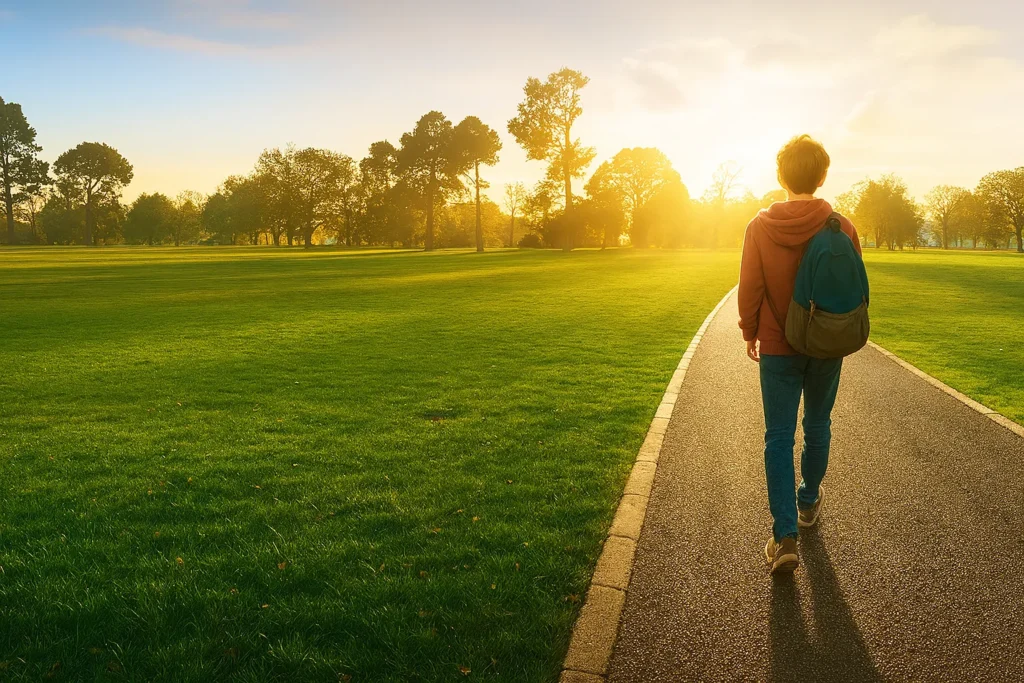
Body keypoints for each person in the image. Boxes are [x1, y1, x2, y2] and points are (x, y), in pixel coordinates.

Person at [737, 134, 863, 574]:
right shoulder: (842, 226)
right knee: (818, 425)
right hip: (827, 343)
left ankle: (784, 534)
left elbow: (749, 286)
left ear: (780, 176)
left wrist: (749, 331)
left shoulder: (759, 226)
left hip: (777, 344)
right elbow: (855, 288)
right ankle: (808, 501)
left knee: (777, 436)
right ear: (823, 175)